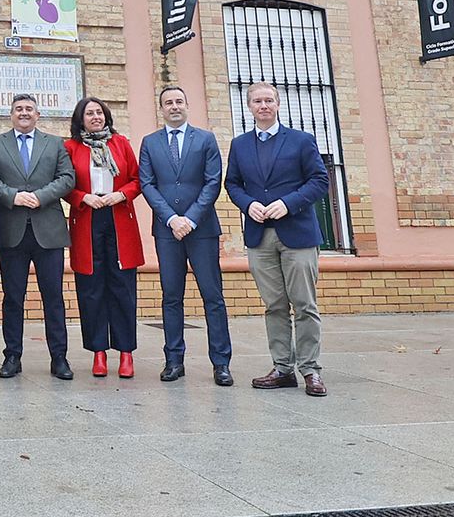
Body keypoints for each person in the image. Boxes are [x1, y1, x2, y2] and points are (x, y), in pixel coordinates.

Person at [224, 82, 330, 397]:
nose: (264, 105)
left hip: (297, 233)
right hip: (260, 238)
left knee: (304, 304)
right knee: (274, 305)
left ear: (278, 104)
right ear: (249, 106)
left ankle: (311, 369)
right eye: (258, 101)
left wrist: (288, 203)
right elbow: (232, 183)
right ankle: (283, 367)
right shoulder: (240, 145)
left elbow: (320, 180)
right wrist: (247, 204)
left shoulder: (301, 141)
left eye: (269, 100)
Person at [138, 85, 233, 386]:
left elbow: (212, 183)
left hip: (202, 230)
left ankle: (221, 364)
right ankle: (174, 361)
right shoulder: (149, 143)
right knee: (171, 297)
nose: (174, 106)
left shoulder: (205, 139)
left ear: (187, 105)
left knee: (213, 297)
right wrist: (171, 219)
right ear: (161, 108)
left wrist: (190, 219)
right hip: (167, 232)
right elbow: (147, 184)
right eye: (168, 102)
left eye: (179, 101)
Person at [0, 93, 77, 379]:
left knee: (54, 297)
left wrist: (39, 196)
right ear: (10, 115)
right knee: (13, 297)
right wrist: (13, 196)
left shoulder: (55, 144)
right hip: (12, 233)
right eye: (18, 109)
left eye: (29, 109)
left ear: (38, 115)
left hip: (48, 231)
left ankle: (59, 358)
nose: (24, 113)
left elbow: (67, 178)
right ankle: (12, 356)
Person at [64, 97, 144, 379]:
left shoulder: (120, 143)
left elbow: (137, 178)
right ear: (80, 119)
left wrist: (121, 194)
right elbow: (64, 183)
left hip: (119, 217)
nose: (95, 117)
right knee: (91, 288)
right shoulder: (71, 147)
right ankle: (98, 352)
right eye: (89, 113)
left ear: (106, 116)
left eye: (99, 112)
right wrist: (82, 197)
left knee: (122, 288)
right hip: (87, 218)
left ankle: (125, 353)